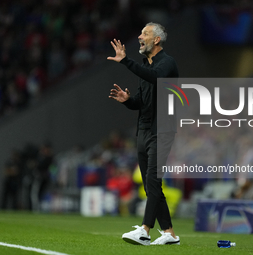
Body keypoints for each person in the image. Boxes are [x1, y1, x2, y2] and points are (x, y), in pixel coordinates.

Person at [108, 22, 180, 245]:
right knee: (151, 186)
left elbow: (154, 76)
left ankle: (145, 230)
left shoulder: (167, 64)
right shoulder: (146, 66)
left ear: (156, 40)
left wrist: (126, 61)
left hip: (163, 129)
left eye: (145, 34)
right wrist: (129, 101)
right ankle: (169, 233)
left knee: (152, 180)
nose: (139, 36)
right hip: (144, 130)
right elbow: (142, 101)